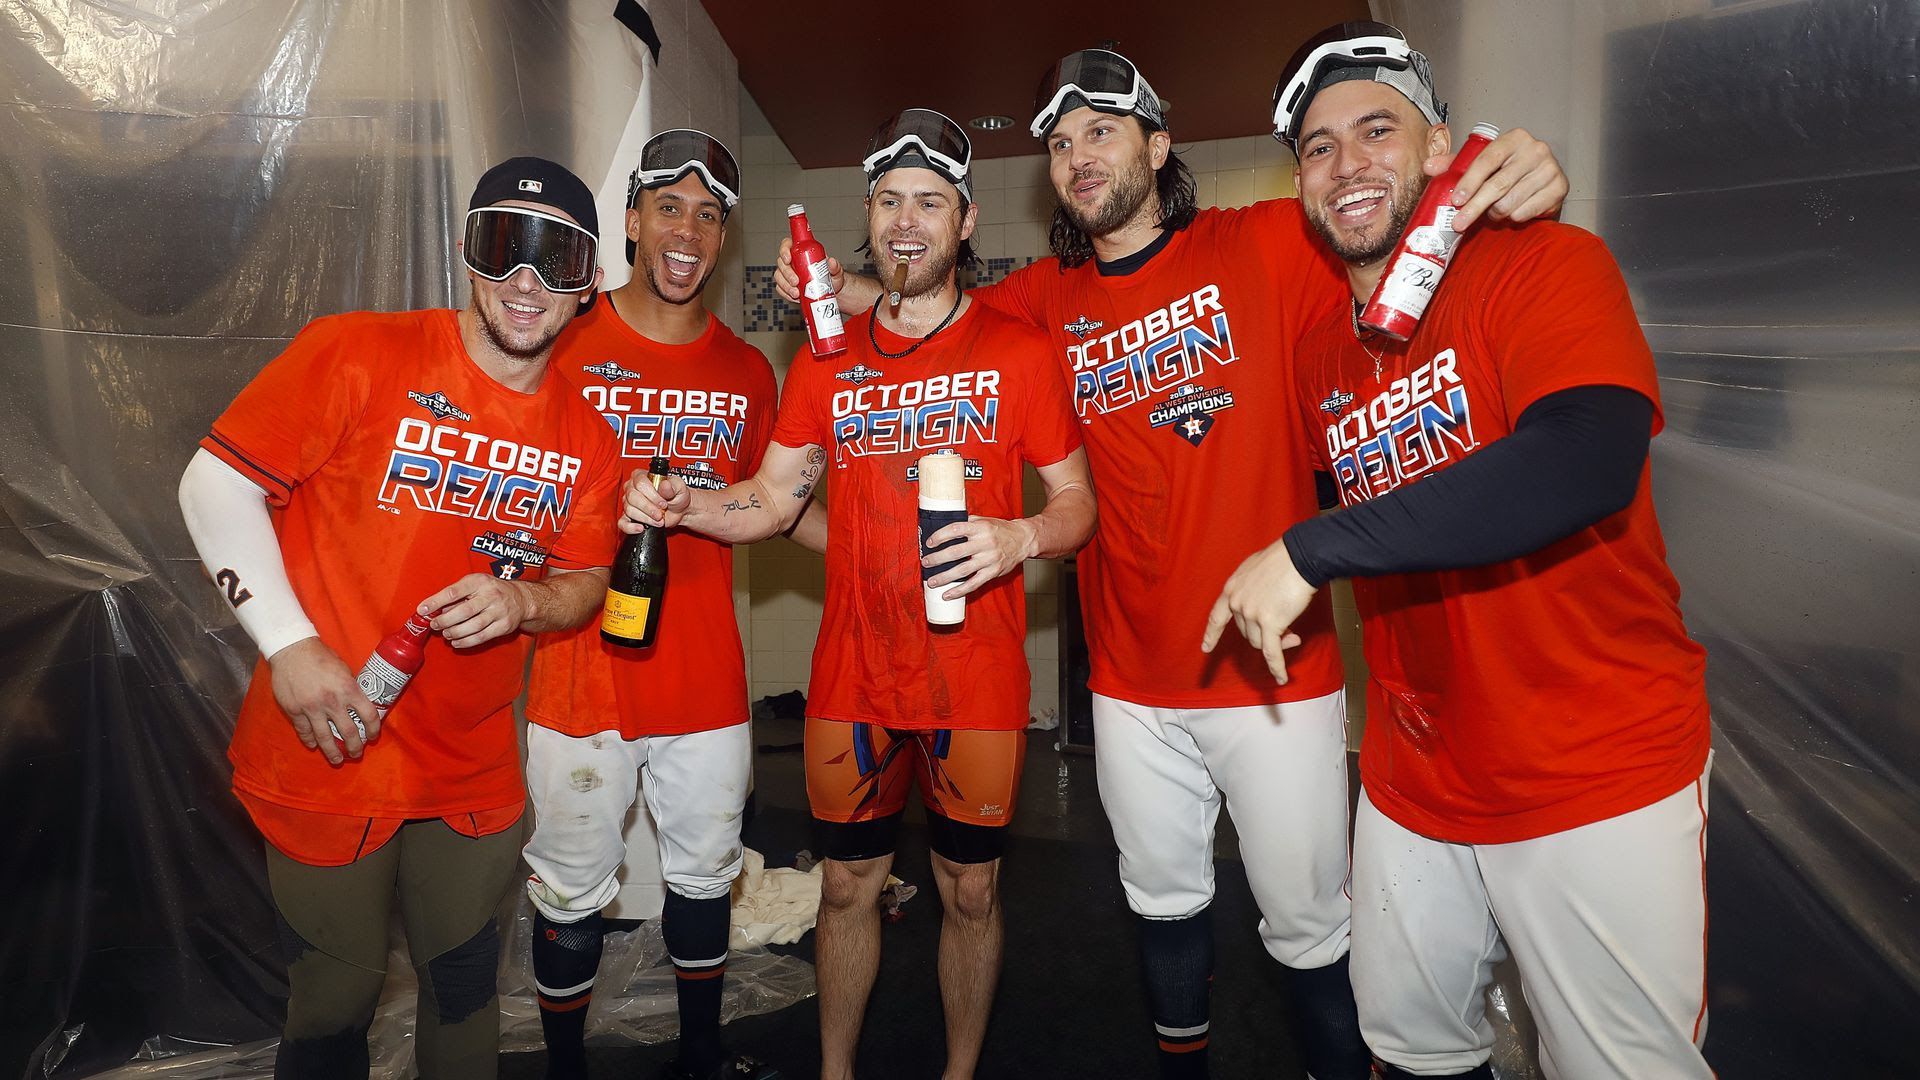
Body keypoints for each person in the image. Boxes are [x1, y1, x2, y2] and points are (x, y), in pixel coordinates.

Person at [776, 46, 1567, 1080]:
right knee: (1162, 909)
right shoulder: (1041, 304)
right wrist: (838, 279)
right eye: (1059, 144)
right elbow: (925, 305)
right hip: (1130, 682)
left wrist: (1508, 175)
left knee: (1309, 934)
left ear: (1157, 144)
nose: (1077, 157)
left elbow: (1393, 207)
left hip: (1271, 671)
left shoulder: (1267, 241)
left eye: (1101, 131)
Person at [1205, 23, 1712, 1079]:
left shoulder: (1543, 264)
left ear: (1441, 148)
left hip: (1589, 768)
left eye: (1376, 130)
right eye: (1318, 146)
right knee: (1414, 1049)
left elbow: (1585, 462)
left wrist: (1311, 549)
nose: (1348, 164)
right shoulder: (1321, 355)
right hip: (1414, 777)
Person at [627, 108, 1096, 1080]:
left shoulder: (1019, 350)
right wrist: (686, 506)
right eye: (889, 201)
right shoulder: (825, 363)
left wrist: (1019, 536)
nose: (907, 221)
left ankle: (959, 1073)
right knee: (847, 887)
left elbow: (1079, 506)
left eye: (930, 202)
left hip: (974, 683)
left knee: (970, 892)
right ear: (870, 218)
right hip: (851, 680)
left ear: (965, 221)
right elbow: (768, 500)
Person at [177, 157, 622, 1078]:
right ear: (468, 256)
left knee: (463, 996)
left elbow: (585, 581)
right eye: (505, 247)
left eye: (557, 258)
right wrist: (290, 646)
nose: (527, 282)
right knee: (333, 1003)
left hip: (469, 769)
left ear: (591, 284)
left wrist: (523, 600)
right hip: (331, 745)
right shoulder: (359, 352)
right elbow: (214, 483)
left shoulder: (588, 435)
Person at [519, 129, 813, 1080]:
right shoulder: (564, 341)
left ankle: (699, 1054)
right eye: (670, 208)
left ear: (723, 237)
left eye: (710, 214)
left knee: (703, 877)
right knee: (569, 892)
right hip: (582, 676)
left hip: (703, 676)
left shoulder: (744, 370)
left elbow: (777, 509)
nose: (689, 230)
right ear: (635, 221)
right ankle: (565, 1069)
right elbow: (509, 489)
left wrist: (881, 560)